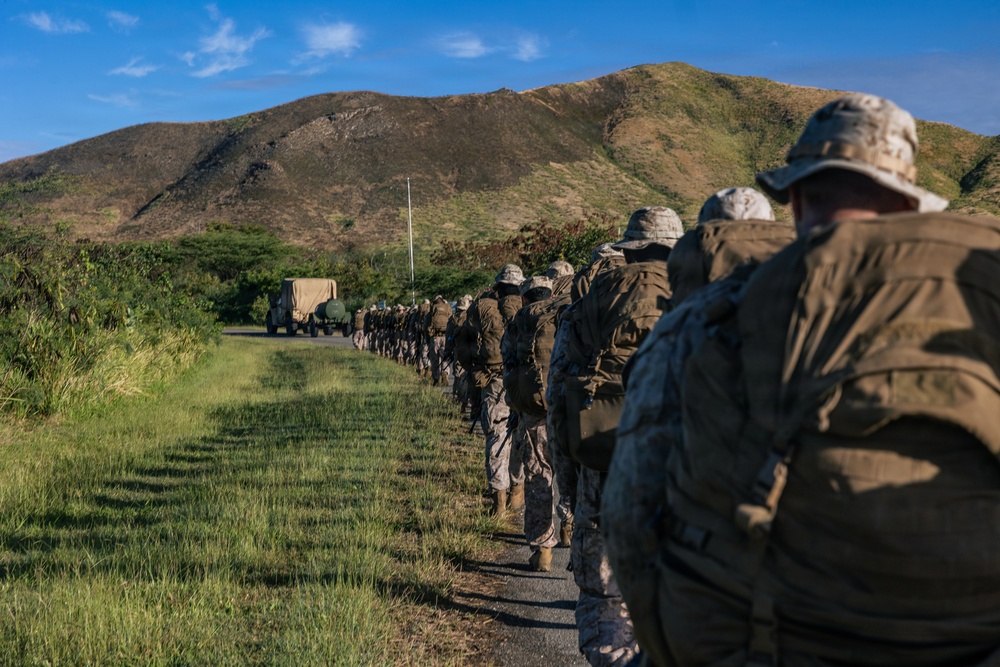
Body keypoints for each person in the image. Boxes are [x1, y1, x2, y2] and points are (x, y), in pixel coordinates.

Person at [603, 94, 1000, 667]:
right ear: (912, 203)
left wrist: (675, 644)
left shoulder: (711, 315)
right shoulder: (980, 311)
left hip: (764, 643)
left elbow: (631, 510)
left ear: (796, 200)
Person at [558, 207, 682, 667]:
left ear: (627, 251)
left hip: (604, 462)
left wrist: (569, 486)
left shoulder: (585, 307)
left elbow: (557, 401)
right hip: (684, 468)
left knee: (605, 596)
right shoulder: (705, 299)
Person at [502, 275, 563, 571]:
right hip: (567, 407)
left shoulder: (519, 322)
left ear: (525, 298)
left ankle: (543, 550)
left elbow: (507, 364)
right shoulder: (566, 315)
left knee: (539, 475)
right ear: (551, 296)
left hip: (533, 409)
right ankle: (569, 526)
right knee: (571, 475)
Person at [464, 264, 527, 514]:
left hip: (493, 380)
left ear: (498, 286)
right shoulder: (529, 307)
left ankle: (498, 502)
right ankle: (517, 492)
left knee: (497, 436)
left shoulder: (483, 309)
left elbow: (465, 346)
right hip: (523, 380)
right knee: (521, 436)